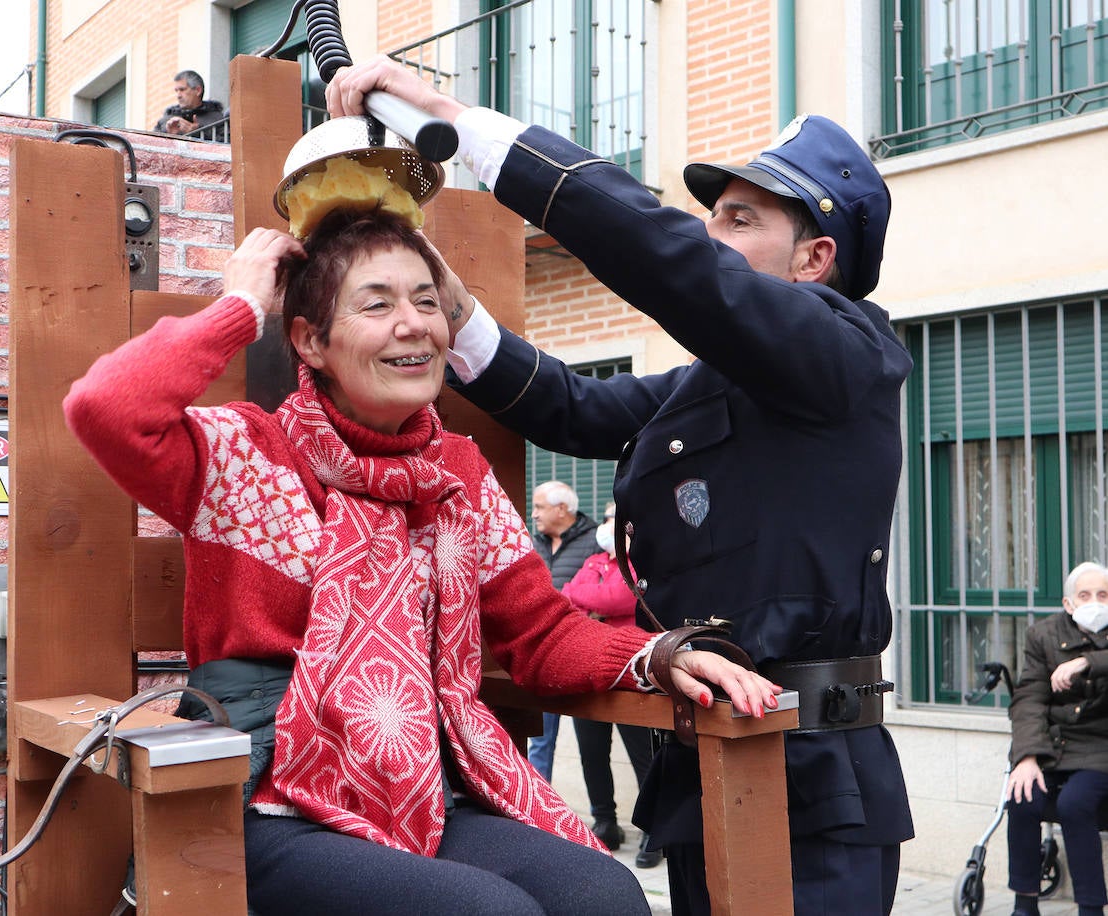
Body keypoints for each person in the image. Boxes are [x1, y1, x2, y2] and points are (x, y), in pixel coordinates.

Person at [64, 206, 781, 915]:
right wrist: (244, 304)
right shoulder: (241, 453)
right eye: (377, 305)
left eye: (427, 302)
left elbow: (542, 632)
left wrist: (657, 656)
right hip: (269, 799)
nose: (413, 324)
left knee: (605, 894)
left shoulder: (458, 475)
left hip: (423, 788)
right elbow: (104, 407)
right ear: (310, 342)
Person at [327, 59, 915, 915]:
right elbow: (574, 408)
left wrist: (458, 121)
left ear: (815, 259)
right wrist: (442, 303)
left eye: (740, 219)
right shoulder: (717, 382)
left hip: (810, 780)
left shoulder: (848, 354)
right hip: (704, 752)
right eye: (710, 214)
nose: (710, 233)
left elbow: (667, 257)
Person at [1005, 561, 1108, 916]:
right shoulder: (1043, 635)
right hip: (1054, 747)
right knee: (1022, 797)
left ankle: (1091, 908)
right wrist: (1027, 757)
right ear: (1068, 604)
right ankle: (1024, 903)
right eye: (1085, 595)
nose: (1095, 602)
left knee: (1074, 804)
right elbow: (1029, 698)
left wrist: (1086, 663)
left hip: (1100, 748)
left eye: (1103, 595)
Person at [562, 502, 660, 866]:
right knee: (592, 752)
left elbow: (617, 597)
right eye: (606, 519)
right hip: (588, 671)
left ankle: (653, 829)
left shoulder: (638, 565)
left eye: (615, 519)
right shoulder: (592, 561)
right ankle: (605, 821)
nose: (608, 526)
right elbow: (566, 595)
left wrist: (591, 601)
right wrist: (591, 600)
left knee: (642, 755)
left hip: (630, 673)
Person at [525, 481, 601, 793]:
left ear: (561, 509)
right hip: (542, 654)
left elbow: (609, 593)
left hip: (586, 653)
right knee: (540, 742)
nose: (533, 515)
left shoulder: (596, 540)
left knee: (594, 745)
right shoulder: (531, 543)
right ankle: (540, 816)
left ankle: (605, 819)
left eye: (539, 507)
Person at [154, 69, 228, 141]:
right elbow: (152, 145)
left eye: (182, 90)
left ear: (198, 90)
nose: (178, 95)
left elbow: (229, 146)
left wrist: (198, 133)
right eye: (176, 91)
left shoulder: (217, 120)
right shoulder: (165, 121)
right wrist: (168, 134)